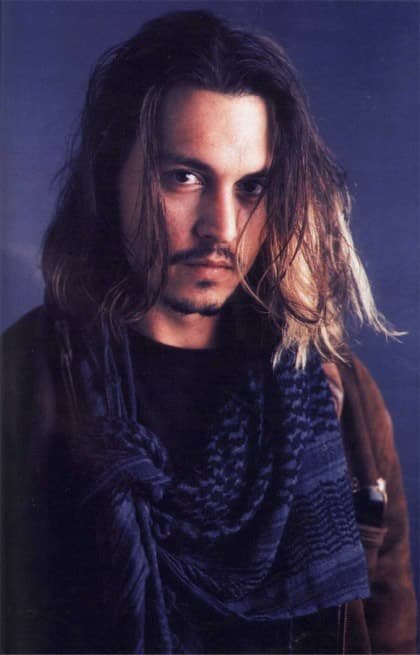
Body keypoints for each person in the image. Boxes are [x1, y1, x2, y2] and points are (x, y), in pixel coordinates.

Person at [1, 10, 416, 654]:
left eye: (251, 187)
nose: (221, 226)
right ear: (113, 177)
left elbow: (390, 633)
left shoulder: (340, 394)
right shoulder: (25, 384)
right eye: (185, 178)